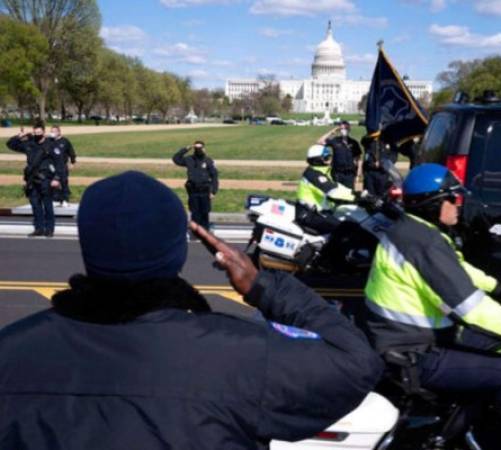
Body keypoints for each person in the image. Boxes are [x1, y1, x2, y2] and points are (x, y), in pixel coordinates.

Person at [0, 171, 384, 449]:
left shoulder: (12, 349)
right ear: (178, 252)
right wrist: (264, 286)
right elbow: (357, 363)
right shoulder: (240, 354)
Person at [357, 163, 501, 450]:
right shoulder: (424, 242)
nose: (459, 205)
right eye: (453, 199)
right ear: (433, 204)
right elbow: (474, 311)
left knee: (498, 346)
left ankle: (469, 426)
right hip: (410, 354)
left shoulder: (412, 230)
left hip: (400, 337)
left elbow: (456, 269)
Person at [6, 120, 64, 237]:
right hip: (32, 180)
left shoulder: (51, 145)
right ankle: (39, 228)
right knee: (35, 205)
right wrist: (19, 136)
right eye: (35, 133)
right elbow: (10, 144)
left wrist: (56, 179)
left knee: (47, 205)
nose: (37, 135)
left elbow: (60, 164)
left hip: (46, 179)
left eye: (39, 132)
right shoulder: (29, 144)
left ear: (43, 132)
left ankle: (49, 229)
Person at [296, 144, 356, 233]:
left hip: (319, 212)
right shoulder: (313, 175)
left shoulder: (321, 171)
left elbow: (337, 186)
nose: (330, 160)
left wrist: (356, 193)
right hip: (310, 214)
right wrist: (357, 197)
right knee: (345, 230)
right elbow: (333, 192)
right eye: (327, 157)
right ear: (317, 160)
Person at [172, 140, 218, 229]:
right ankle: (195, 231)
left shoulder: (208, 161)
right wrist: (186, 148)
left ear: (204, 149)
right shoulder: (189, 159)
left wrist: (213, 191)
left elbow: (214, 176)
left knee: (205, 212)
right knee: (194, 212)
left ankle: (204, 231)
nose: (199, 150)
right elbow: (176, 159)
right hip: (193, 191)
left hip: (205, 190)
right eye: (197, 148)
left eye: (200, 148)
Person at [317, 120, 362, 189]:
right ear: (339, 130)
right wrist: (332, 131)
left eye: (346, 128)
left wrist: (358, 174)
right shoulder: (335, 140)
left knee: (349, 195)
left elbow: (358, 159)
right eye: (342, 128)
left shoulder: (354, 142)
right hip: (337, 173)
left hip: (350, 174)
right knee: (336, 194)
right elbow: (319, 141)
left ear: (349, 129)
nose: (344, 130)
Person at [49, 124, 76, 207]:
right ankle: (56, 199)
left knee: (63, 182)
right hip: (51, 166)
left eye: (55, 131)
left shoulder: (65, 141)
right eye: (52, 131)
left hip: (62, 166)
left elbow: (71, 152)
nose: (53, 133)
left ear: (59, 132)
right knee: (53, 183)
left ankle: (65, 200)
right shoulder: (49, 141)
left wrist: (72, 162)